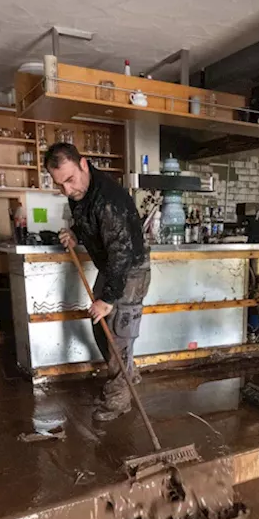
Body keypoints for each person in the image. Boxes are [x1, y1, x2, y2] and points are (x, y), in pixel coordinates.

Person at [44, 142, 151, 421]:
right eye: (60, 185)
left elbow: (122, 252)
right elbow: (88, 222)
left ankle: (118, 400)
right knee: (102, 330)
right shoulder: (81, 192)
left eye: (69, 180)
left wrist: (109, 299)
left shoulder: (108, 200)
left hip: (130, 270)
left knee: (117, 335)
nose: (67, 190)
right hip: (112, 268)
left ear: (83, 164)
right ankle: (128, 376)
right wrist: (76, 234)